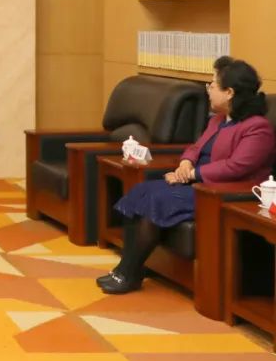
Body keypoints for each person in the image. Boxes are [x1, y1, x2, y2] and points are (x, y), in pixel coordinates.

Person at [98, 56, 275, 295]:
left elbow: (236, 167)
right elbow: (196, 146)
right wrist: (185, 162)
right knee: (141, 192)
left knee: (156, 200)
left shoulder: (257, 127)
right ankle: (131, 269)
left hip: (220, 191)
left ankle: (127, 274)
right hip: (197, 183)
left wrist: (191, 174)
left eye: (213, 84)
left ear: (229, 92)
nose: (208, 89)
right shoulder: (219, 120)